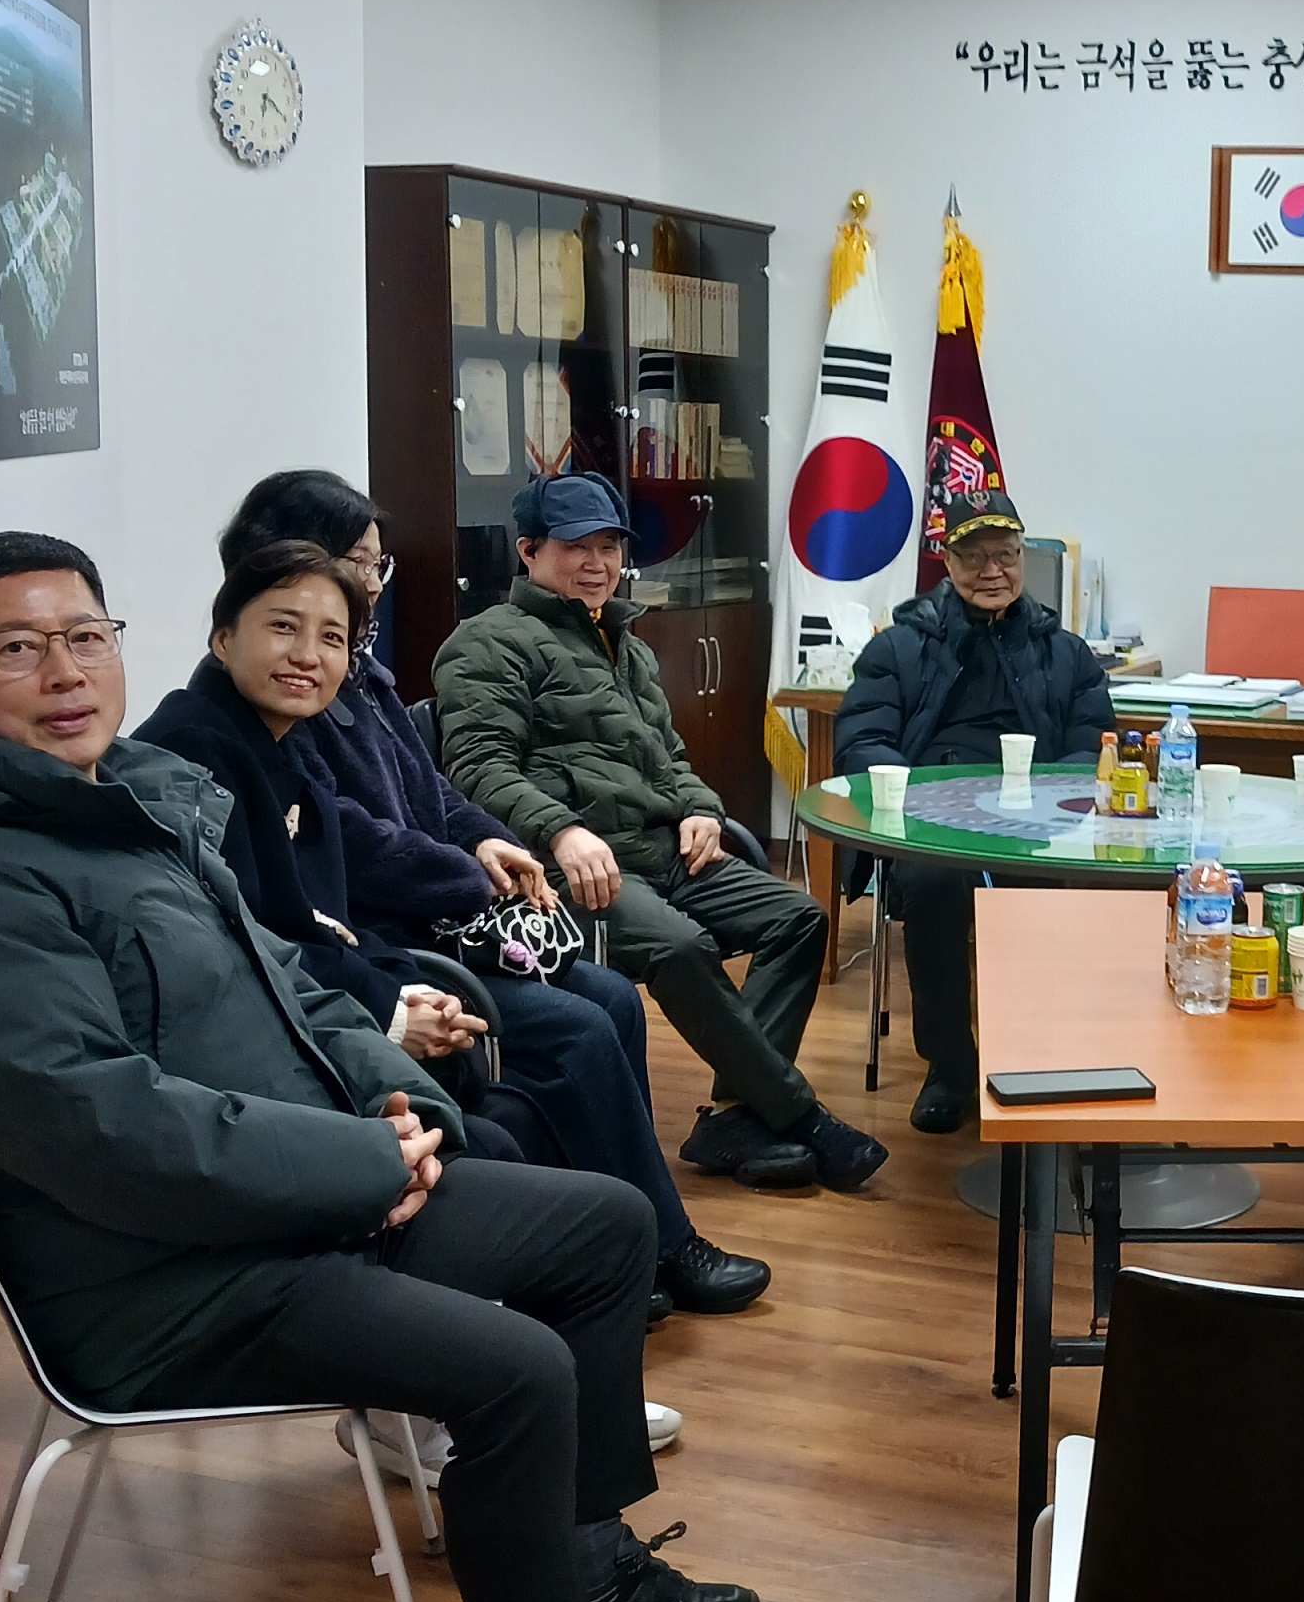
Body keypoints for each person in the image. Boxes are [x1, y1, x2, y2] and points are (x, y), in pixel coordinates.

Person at [0, 529, 754, 1602]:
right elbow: (119, 1134)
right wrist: (366, 1166)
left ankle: (587, 1563)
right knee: (513, 1371)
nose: (65, 672)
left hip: (293, 1206)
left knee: (604, 1228)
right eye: (15, 647)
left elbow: (299, 986)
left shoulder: (139, 802)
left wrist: (408, 1108)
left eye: (84, 636)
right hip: (167, 1285)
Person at [211, 470, 766, 1324]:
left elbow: (433, 792)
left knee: (614, 999)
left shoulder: (360, 674)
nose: (368, 586)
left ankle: (624, 1236)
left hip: (449, 915)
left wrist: (484, 838)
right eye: (354, 563)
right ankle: (653, 1245)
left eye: (375, 567)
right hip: (401, 944)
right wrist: (469, 872)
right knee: (580, 1027)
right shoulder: (277, 702)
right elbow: (356, 841)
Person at [433, 473, 883, 1196]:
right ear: (529, 551)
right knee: (681, 947)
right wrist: (562, 831)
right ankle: (800, 1115)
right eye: (576, 547)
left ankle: (737, 1118)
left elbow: (668, 756)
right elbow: (478, 768)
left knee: (797, 918)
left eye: (609, 547)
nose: (597, 564)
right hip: (572, 868)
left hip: (664, 846)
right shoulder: (486, 643)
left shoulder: (627, 644)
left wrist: (702, 808)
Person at [833, 486, 1114, 1130]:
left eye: (1005, 555)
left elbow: (1092, 746)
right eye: (974, 557)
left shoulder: (1065, 652)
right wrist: (914, 803)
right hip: (931, 819)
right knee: (932, 883)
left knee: (1053, 883)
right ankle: (950, 1068)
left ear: (1022, 558)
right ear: (947, 562)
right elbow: (863, 742)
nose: (993, 571)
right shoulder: (899, 646)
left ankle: (1040, 1050)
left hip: (1037, 818)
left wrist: (1055, 804)